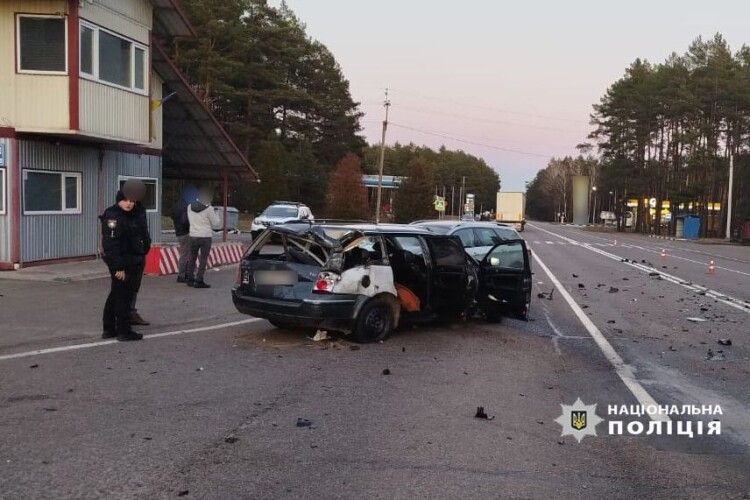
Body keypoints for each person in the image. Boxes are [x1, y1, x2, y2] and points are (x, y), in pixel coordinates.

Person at [100, 181, 151, 341]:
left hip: (135, 258)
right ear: (118, 200)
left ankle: (109, 329)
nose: (129, 204)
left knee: (116, 294)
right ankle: (123, 330)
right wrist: (118, 267)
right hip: (121, 261)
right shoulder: (112, 215)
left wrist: (145, 248)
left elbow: (143, 233)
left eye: (131, 201)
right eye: (125, 200)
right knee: (124, 296)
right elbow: (110, 245)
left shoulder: (137, 212)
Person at [185, 189, 221, 288]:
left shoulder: (189, 207)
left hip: (193, 235)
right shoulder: (209, 209)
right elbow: (215, 224)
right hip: (205, 236)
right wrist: (216, 214)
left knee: (192, 257)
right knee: (203, 259)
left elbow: (189, 220)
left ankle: (190, 279)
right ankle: (199, 280)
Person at [171, 185, 198, 283]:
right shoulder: (186, 207)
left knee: (184, 254)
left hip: (179, 232)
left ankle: (184, 274)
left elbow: (173, 216)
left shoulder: (175, 205)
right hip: (186, 233)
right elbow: (185, 221)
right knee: (187, 254)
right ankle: (183, 275)